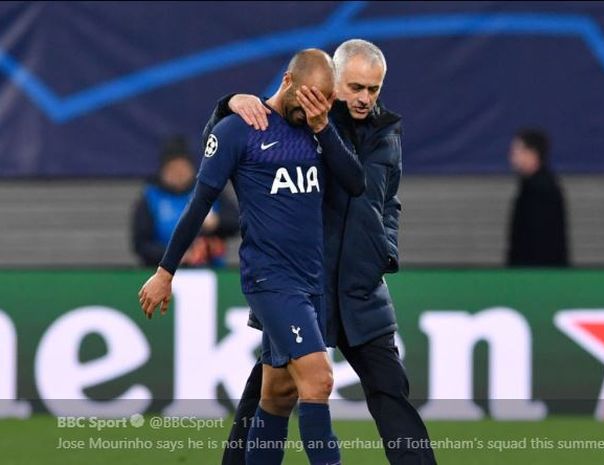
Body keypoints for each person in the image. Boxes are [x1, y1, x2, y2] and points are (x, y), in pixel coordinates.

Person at [208, 39, 437, 465]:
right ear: (333, 82)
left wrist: (384, 251)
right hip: (306, 286)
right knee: (270, 390)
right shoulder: (303, 119)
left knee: (392, 393)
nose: (366, 98)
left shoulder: (388, 132)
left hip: (360, 288)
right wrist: (229, 104)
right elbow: (227, 141)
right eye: (356, 88)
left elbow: (389, 201)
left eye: (374, 89)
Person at [138, 48, 366, 465]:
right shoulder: (240, 129)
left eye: (325, 100)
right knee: (319, 380)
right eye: (309, 98)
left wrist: (325, 129)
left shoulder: (320, 127)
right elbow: (199, 202)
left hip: (311, 279)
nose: (314, 108)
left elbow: (355, 183)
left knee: (278, 395)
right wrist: (165, 271)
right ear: (287, 82)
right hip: (271, 279)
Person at [131, 136, 239, 267]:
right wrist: (175, 257)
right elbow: (141, 245)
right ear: (163, 171)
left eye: (183, 167)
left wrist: (216, 222)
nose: (178, 173)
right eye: (173, 168)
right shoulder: (151, 197)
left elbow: (237, 221)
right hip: (162, 273)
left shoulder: (210, 191)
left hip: (210, 271)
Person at [507, 128, 569, 267]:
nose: (512, 156)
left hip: (539, 272)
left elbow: (541, 239)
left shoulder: (542, 189)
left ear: (532, 154)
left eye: (516, 150)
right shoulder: (529, 186)